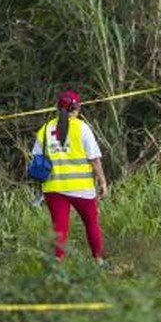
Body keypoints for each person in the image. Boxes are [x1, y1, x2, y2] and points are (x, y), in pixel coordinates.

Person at [32, 90, 109, 262]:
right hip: (81, 189)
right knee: (91, 223)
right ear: (77, 108)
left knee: (59, 229)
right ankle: (99, 261)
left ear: (57, 108)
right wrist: (103, 182)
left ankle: (57, 265)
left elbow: (36, 158)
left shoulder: (45, 129)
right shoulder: (82, 128)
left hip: (53, 188)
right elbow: (94, 159)